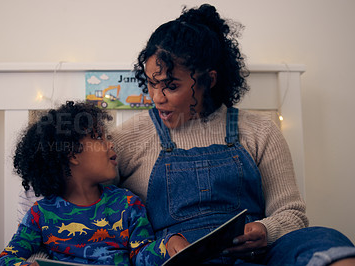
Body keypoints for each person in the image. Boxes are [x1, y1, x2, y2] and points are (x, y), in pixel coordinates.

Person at [109, 3, 355, 265]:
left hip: (257, 257)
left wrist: (266, 231)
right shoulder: (128, 137)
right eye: (152, 83)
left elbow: (291, 214)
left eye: (171, 86)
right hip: (179, 261)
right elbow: (92, 207)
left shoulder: (259, 131)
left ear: (209, 80)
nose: (157, 98)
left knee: (325, 238)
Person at [0, 101, 185, 266]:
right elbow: (6, 259)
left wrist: (167, 246)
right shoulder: (41, 214)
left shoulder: (127, 204)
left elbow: (141, 256)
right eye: (98, 137)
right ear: (72, 154)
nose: (110, 144)